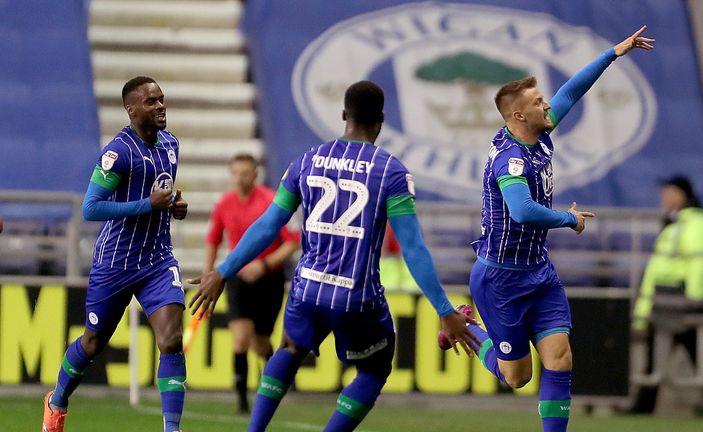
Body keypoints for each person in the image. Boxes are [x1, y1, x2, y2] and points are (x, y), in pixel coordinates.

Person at [189, 80, 479, 432]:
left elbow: (268, 225)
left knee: (289, 348)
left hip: (307, 288)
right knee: (374, 369)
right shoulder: (391, 172)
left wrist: (222, 270)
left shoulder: (306, 161)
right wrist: (444, 310)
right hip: (356, 296)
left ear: (344, 115)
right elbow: (413, 247)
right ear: (381, 120)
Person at [439, 27, 655, 432]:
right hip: (500, 279)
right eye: (539, 102)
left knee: (560, 358)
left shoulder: (539, 133)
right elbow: (521, 211)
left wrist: (614, 53)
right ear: (519, 115)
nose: (548, 106)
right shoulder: (510, 161)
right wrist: (568, 219)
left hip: (538, 272)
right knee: (517, 377)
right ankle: (465, 324)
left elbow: (572, 92)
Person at [42, 76, 189, 432]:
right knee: (92, 344)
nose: (160, 106)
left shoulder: (171, 144)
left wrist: (175, 205)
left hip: (157, 260)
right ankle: (57, 400)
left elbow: (162, 193)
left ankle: (172, 428)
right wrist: (147, 204)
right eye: (151, 102)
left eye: (162, 99)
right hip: (116, 263)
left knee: (171, 340)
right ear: (131, 109)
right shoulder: (118, 153)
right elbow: (91, 209)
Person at [204, 153, 300, 413]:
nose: (240, 178)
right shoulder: (224, 204)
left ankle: (271, 378)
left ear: (255, 174)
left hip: (269, 280)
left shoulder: (272, 200)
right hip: (237, 278)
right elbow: (213, 240)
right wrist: (208, 275)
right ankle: (242, 402)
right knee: (240, 339)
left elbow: (293, 240)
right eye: (236, 173)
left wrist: (265, 264)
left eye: (245, 173)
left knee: (260, 342)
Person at [629, 176, 703, 416]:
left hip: (680, 301)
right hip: (666, 300)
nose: (665, 198)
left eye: (670, 193)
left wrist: (695, 299)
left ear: (683, 195)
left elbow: (700, 262)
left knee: (696, 353)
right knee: (678, 354)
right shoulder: (676, 223)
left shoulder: (694, 223)